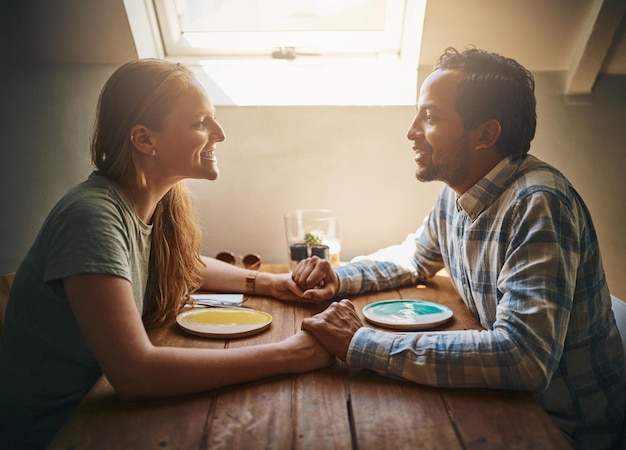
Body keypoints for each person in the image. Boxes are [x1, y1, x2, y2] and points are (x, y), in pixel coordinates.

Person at [292, 47, 625, 449]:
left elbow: (522, 357)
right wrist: (339, 277)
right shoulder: (459, 192)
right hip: (504, 402)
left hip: (561, 429)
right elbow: (416, 256)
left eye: (430, 117)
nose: (412, 130)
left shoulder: (539, 204)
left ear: (485, 134)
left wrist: (361, 342)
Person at [0, 59, 332, 449]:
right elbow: (136, 374)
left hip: (104, 409)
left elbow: (185, 265)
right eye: (201, 122)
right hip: (61, 428)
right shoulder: (90, 217)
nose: (220, 134)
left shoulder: (150, 201)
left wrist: (274, 284)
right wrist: (289, 355)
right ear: (144, 140)